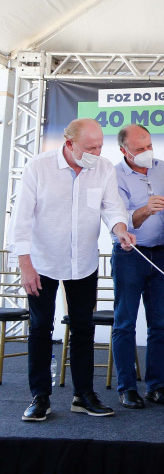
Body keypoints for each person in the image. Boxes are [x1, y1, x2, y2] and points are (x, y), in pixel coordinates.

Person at [12, 118, 135, 421]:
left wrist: (120, 229)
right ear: (69, 144)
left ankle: (84, 395)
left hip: (83, 262)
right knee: (41, 328)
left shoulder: (103, 168)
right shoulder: (38, 167)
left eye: (100, 146)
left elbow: (112, 207)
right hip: (42, 261)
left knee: (83, 327)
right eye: (90, 148)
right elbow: (21, 220)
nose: (97, 153)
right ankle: (40, 397)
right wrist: (25, 265)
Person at [111, 125, 164, 409]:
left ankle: (157, 385)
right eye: (139, 149)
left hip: (162, 254)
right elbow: (119, 217)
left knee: (161, 323)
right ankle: (127, 388)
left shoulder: (163, 168)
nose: (146, 152)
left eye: (149, 146)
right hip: (130, 254)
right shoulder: (113, 175)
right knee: (125, 323)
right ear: (123, 150)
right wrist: (145, 210)